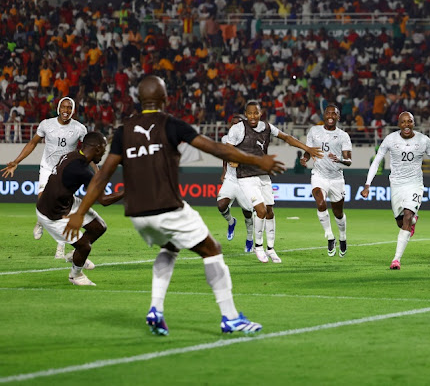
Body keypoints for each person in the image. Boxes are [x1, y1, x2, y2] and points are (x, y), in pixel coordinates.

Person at [64, 76, 285, 336]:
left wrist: (79, 213)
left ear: (139, 99)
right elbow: (216, 148)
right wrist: (259, 161)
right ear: (164, 99)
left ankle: (155, 310)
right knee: (212, 250)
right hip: (166, 206)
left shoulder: (124, 130)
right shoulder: (171, 124)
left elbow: (102, 176)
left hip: (137, 214)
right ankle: (231, 317)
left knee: (169, 247)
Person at [227, 100, 322, 264]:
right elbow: (227, 148)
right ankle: (258, 247)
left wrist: (307, 148)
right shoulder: (237, 128)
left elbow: (287, 138)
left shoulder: (267, 127)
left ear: (260, 113)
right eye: (249, 113)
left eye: (255, 113)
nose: (252, 116)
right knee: (261, 210)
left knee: (270, 211)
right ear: (245, 114)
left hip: (263, 175)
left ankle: (271, 249)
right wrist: (231, 159)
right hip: (246, 176)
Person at [360, 112, 430, 270]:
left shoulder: (423, 140)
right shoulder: (390, 139)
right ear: (399, 123)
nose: (406, 125)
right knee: (400, 222)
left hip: (415, 184)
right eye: (403, 122)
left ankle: (396, 259)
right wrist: (367, 184)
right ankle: (412, 222)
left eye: (409, 122)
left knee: (407, 216)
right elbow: (377, 160)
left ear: (413, 123)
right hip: (396, 185)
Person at [2, 97, 87, 260]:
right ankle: (41, 221)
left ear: (73, 110)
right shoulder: (46, 125)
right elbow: (32, 143)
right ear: (58, 108)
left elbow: (88, 151)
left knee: (63, 211)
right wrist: (16, 161)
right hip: (48, 168)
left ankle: (60, 248)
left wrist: (96, 172)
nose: (66, 110)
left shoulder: (80, 129)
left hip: (66, 172)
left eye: (70, 108)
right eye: (64, 107)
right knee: (42, 200)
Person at [36, 132, 124, 286]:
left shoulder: (73, 156)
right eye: (104, 149)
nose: (104, 153)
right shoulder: (81, 170)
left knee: (99, 227)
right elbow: (103, 200)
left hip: (66, 202)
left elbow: (97, 178)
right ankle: (75, 276)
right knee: (84, 246)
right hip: (52, 214)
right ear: (97, 148)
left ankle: (74, 255)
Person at [301, 105, 352, 257]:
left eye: (334, 114)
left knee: (338, 213)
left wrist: (340, 159)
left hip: (336, 178)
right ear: (324, 115)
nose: (331, 115)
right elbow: (309, 150)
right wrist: (305, 158)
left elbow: (349, 160)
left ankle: (342, 237)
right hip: (319, 175)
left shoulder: (343, 135)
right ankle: (330, 236)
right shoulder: (314, 131)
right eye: (328, 113)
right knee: (321, 203)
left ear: (338, 117)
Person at [218, 115, 256, 253]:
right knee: (221, 205)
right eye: (233, 123)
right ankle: (231, 222)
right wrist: (224, 172)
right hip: (230, 179)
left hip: (244, 180)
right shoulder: (225, 139)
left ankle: (250, 239)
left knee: (247, 212)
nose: (235, 126)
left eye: (238, 123)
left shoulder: (250, 140)